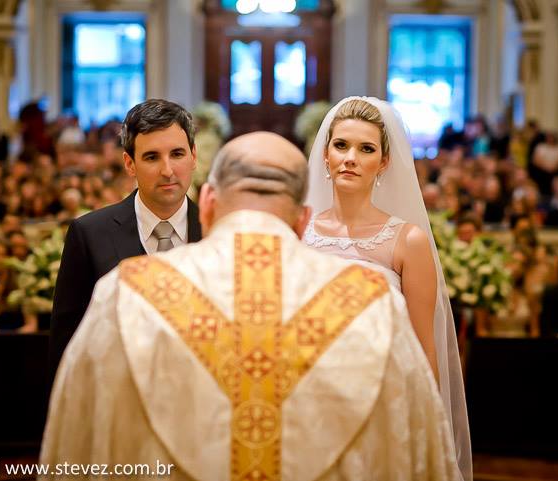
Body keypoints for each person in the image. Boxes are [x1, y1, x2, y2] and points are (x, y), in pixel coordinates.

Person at [42, 132, 458, 480]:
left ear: (207, 203)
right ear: (302, 220)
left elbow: (75, 440)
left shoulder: (127, 294)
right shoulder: (372, 305)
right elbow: (416, 448)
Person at [304, 96, 471, 481]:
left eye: (366, 149)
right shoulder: (301, 231)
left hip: (381, 399)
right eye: (341, 145)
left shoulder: (407, 240)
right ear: (326, 155)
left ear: (383, 162)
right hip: (311, 396)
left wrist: (427, 432)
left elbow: (424, 347)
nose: (350, 158)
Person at [49, 99, 203, 386]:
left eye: (177, 154)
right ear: (129, 164)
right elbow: (67, 344)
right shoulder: (89, 234)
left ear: (193, 156)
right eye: (152, 157)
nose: (168, 170)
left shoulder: (216, 232)